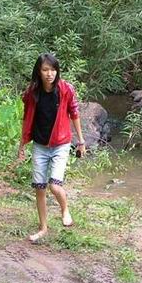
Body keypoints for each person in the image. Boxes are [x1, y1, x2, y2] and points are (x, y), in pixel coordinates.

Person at [18, 53, 86, 242]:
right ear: (38, 72)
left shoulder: (65, 89)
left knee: (54, 186)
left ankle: (65, 210)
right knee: (39, 188)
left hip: (61, 144)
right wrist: (22, 145)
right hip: (40, 145)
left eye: (53, 69)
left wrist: (81, 141)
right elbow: (27, 119)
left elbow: (74, 113)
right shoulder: (32, 93)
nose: (50, 74)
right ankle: (43, 228)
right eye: (45, 70)